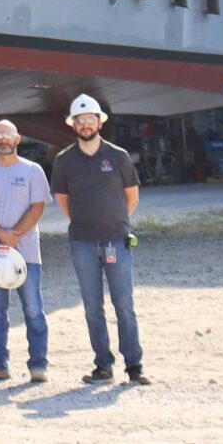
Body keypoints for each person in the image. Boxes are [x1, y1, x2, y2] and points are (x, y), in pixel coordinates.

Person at [49, 94, 148, 386]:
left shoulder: (118, 156)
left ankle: (134, 366)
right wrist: (85, 223)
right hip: (82, 242)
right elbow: (63, 199)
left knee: (124, 305)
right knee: (93, 306)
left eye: (90, 119)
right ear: (74, 125)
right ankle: (103, 366)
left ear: (99, 122)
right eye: (80, 120)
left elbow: (132, 196)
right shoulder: (64, 160)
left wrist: (114, 221)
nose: (85, 124)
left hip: (117, 240)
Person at [0, 119, 51, 383]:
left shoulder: (33, 171)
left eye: (8, 136)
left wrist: (14, 234)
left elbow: (38, 207)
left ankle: (38, 366)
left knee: (33, 310)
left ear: (18, 140)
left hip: (26, 254)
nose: (3, 140)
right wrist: (2, 235)